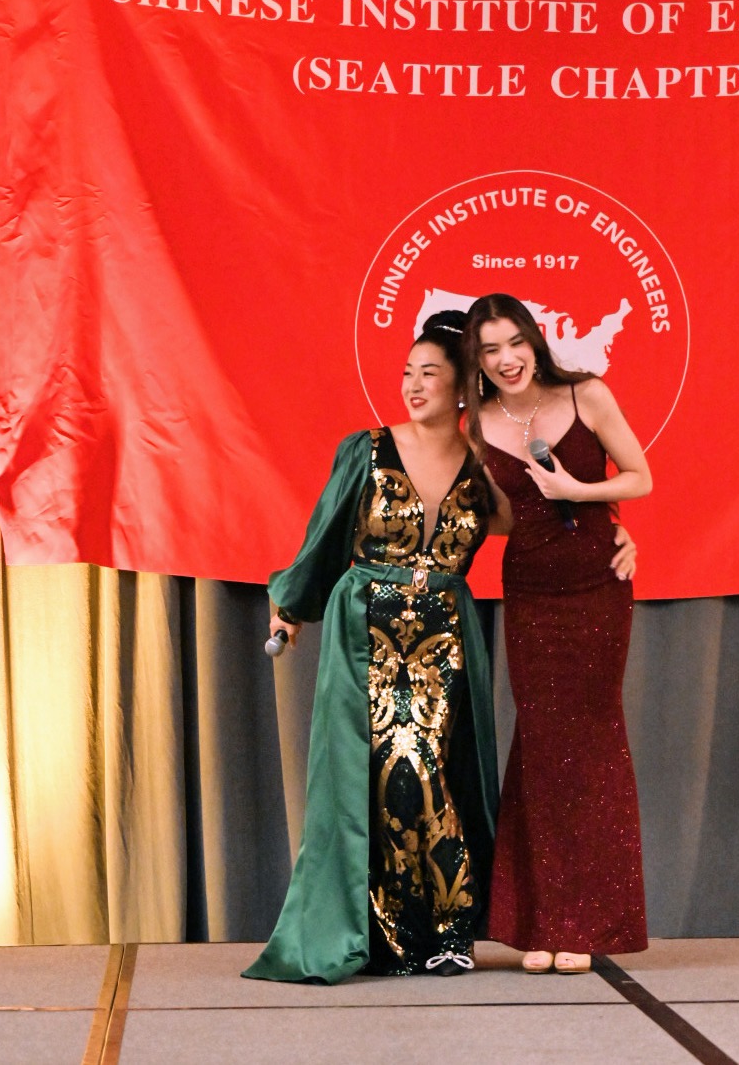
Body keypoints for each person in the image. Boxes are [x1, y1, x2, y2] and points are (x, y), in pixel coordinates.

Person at [242, 311, 510, 984]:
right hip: (366, 627)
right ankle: (400, 932)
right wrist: (292, 608)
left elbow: (533, 526)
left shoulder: (484, 467)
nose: (413, 385)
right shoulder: (366, 449)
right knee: (383, 769)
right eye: (407, 373)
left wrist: (614, 534)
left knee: (429, 766)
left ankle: (444, 927)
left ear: (463, 387)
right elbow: (326, 534)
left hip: (444, 634)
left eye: (430, 374)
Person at [462, 293, 652, 975]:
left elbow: (640, 477)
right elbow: (504, 518)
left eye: (514, 342)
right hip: (530, 591)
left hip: (597, 585)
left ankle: (587, 921)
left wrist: (582, 495)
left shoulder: (586, 394)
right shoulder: (476, 424)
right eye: (490, 349)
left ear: (534, 340)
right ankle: (539, 923)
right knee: (541, 745)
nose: (506, 358)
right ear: (477, 359)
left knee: (591, 743)